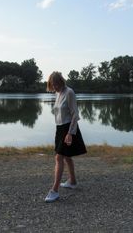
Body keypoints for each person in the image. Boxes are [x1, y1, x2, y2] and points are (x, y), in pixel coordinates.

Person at [45, 71, 87, 203]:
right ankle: (73, 181)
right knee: (67, 156)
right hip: (60, 128)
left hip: (68, 128)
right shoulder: (58, 94)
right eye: (52, 84)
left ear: (61, 81)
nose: (55, 87)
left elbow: (75, 114)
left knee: (59, 157)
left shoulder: (69, 92)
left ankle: (54, 191)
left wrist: (70, 133)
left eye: (56, 84)